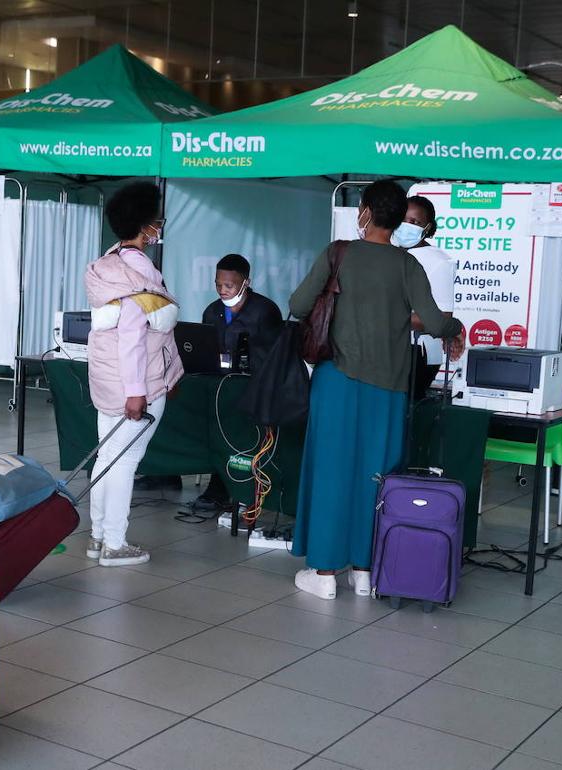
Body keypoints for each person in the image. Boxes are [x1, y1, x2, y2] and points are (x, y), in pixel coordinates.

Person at [288, 180, 464, 600]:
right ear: (401, 216)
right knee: (377, 477)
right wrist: (455, 330)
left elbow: (297, 306)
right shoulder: (408, 266)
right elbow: (437, 322)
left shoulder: (338, 254)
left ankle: (325, 573)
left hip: (337, 382)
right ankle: (365, 571)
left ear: (363, 211)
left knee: (332, 471)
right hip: (389, 387)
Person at [84, 181, 185, 567]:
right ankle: (115, 543)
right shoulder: (141, 272)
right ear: (145, 227)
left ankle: (97, 537)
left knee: (106, 457)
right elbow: (132, 335)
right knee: (125, 461)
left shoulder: (108, 263)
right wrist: (137, 391)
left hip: (106, 378)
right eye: (155, 219)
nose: (159, 225)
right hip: (135, 383)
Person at [192, 253, 284, 513]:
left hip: (253, 388)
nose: (223, 290)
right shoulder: (212, 311)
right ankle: (213, 483)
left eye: (229, 285)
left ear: (246, 282)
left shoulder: (265, 311)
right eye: (218, 284)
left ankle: (235, 487)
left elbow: (272, 358)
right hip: (219, 386)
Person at [394, 195, 459, 397]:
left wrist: (388, 317)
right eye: (403, 219)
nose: (407, 226)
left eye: (415, 222)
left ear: (427, 227)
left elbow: (442, 318)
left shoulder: (438, 261)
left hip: (417, 352)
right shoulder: (389, 252)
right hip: (386, 347)